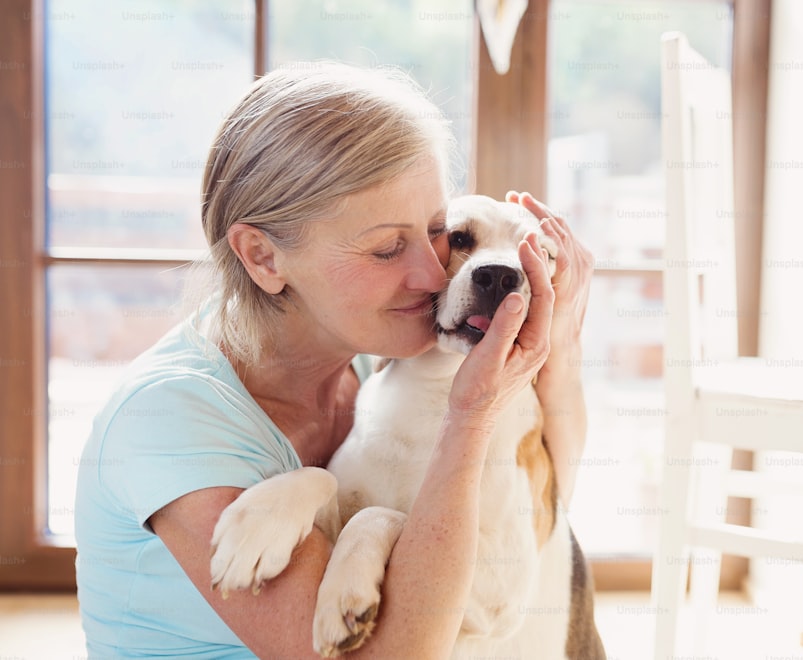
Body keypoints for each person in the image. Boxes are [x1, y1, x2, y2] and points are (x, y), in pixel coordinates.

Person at [74, 61, 593, 659]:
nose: (432, 273)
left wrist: (564, 337)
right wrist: (470, 416)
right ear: (264, 258)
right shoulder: (168, 420)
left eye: (435, 235)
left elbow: (551, 497)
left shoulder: (378, 362)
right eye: (388, 248)